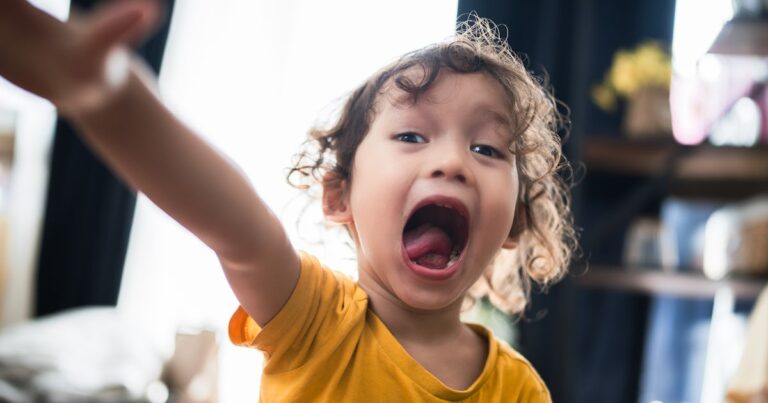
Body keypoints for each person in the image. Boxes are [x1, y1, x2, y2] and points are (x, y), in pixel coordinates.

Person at [0, 1, 576, 401]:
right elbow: (234, 224)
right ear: (338, 194)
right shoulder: (316, 320)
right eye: (411, 136)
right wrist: (110, 97)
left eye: (486, 147)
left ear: (515, 221)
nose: (452, 162)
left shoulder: (518, 389)